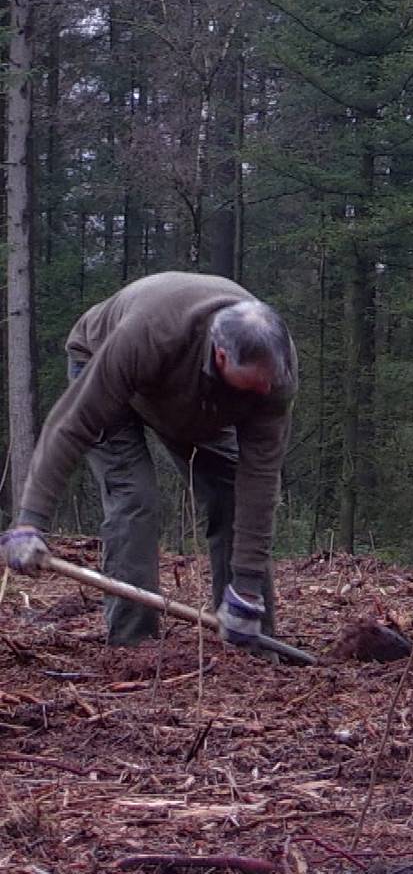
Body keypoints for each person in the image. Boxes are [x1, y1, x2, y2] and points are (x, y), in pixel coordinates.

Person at [0, 272, 298, 649]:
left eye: (270, 383)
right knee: (135, 499)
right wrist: (30, 521)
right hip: (107, 366)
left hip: (192, 398)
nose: (267, 391)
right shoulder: (152, 333)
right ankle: (133, 643)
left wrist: (248, 589)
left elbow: (260, 478)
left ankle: (250, 635)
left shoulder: (275, 373)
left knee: (231, 498)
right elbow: (73, 423)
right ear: (222, 356)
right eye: (257, 384)